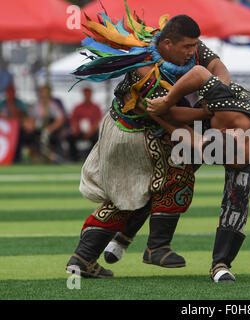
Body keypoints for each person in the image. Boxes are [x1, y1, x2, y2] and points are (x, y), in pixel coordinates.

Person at [65, 8, 230, 279]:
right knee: (175, 177)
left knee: (129, 198)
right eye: (187, 47)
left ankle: (83, 259)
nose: (192, 51)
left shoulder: (186, 47)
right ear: (167, 44)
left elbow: (219, 70)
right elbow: (170, 113)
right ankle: (157, 247)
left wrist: (218, 91)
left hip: (146, 131)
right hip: (132, 134)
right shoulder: (147, 71)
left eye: (194, 45)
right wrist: (209, 111)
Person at [146, 65, 250, 282]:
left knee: (237, 203)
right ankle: (127, 236)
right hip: (211, 117)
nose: (230, 165)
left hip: (239, 125)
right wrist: (160, 109)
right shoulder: (219, 108)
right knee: (170, 171)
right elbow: (197, 72)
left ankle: (220, 265)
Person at [29, 85, 67, 163]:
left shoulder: (53, 105)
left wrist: (49, 129)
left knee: (55, 138)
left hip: (51, 130)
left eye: (45, 93)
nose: (43, 95)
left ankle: (53, 157)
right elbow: (30, 119)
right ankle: (36, 158)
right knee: (31, 137)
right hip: (38, 130)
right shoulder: (36, 106)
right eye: (41, 92)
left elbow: (60, 119)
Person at [67, 87, 103, 162]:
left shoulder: (96, 107)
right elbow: (73, 120)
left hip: (92, 131)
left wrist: (91, 131)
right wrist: (76, 128)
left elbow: (98, 121)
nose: (87, 96)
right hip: (79, 131)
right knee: (70, 137)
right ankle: (73, 158)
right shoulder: (78, 107)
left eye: (88, 94)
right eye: (85, 94)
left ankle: (94, 158)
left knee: (97, 139)